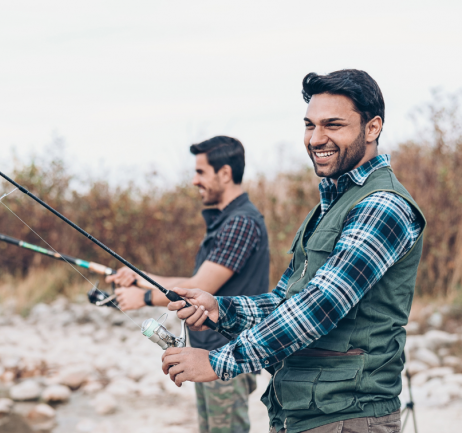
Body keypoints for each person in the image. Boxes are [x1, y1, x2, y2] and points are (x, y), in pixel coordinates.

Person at [162, 70, 426, 433]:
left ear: (372, 128)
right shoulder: (328, 206)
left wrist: (220, 362)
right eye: (309, 126)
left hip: (347, 417)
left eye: (332, 125)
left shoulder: (382, 205)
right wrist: (221, 308)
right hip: (300, 414)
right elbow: (289, 300)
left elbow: (320, 305)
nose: (316, 139)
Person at [107, 136, 270, 433]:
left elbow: (198, 286)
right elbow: (192, 282)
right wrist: (139, 275)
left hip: (227, 356)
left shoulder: (241, 223)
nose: (194, 181)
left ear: (224, 174)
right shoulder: (224, 221)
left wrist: (143, 297)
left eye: (200, 172)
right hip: (210, 351)